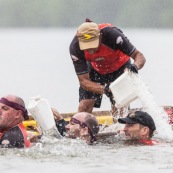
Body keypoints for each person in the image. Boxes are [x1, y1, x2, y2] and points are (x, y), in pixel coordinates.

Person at [69, 18, 146, 113]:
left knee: (119, 108)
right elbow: (84, 81)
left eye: (92, 45)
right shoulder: (75, 46)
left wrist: (134, 67)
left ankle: (119, 125)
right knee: (84, 105)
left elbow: (139, 56)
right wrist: (104, 89)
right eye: (86, 46)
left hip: (120, 67)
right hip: (95, 69)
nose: (90, 50)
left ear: (100, 36)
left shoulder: (112, 35)